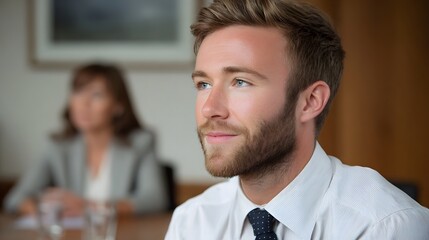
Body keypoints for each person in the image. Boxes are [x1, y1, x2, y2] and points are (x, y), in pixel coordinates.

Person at [165, 0, 429, 239]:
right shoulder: (191, 223)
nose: (210, 108)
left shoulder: (385, 227)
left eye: (241, 82)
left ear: (311, 101)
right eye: (203, 84)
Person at [3, 63, 168, 216]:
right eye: (78, 92)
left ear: (118, 106)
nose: (83, 103)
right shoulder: (57, 146)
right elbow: (14, 199)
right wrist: (47, 208)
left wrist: (91, 207)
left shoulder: (140, 143)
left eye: (97, 95)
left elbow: (154, 200)